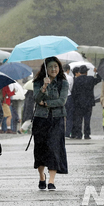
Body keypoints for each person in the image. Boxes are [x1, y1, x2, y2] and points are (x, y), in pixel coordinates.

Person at [32, 57, 69, 191]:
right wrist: (44, 87)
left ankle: (51, 181)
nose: (54, 69)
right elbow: (36, 99)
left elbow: (62, 101)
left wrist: (47, 103)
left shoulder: (63, 83)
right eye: (50, 67)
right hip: (40, 119)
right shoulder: (37, 82)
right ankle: (42, 176)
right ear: (45, 69)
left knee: (54, 148)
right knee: (40, 149)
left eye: (56, 66)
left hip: (57, 119)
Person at [70, 66, 100, 139]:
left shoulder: (76, 80)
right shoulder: (90, 79)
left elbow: (73, 92)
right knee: (87, 119)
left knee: (79, 119)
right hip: (88, 103)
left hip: (79, 103)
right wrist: (96, 72)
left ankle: (79, 134)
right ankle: (87, 134)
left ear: (80, 72)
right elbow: (99, 79)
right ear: (86, 72)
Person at [64, 65, 75, 137]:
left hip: (60, 98)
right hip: (68, 97)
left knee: (60, 116)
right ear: (68, 70)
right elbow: (71, 88)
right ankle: (67, 133)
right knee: (69, 116)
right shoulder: (70, 78)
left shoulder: (58, 78)